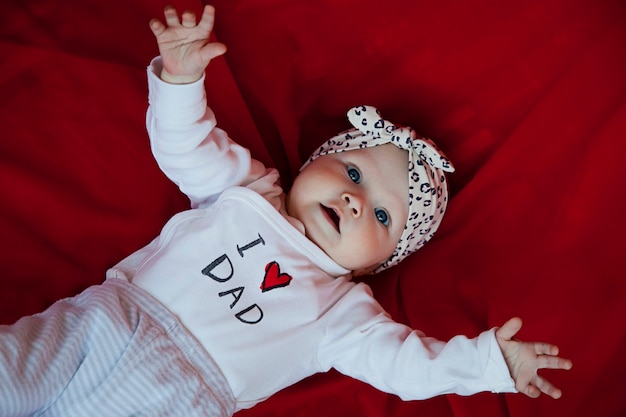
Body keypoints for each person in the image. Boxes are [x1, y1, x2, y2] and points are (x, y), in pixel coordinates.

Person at [0, 4, 572, 417]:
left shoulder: (343, 312)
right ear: (311, 166)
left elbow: (407, 367)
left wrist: (487, 364)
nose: (354, 199)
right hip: (106, 323)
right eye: (353, 173)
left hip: (180, 398)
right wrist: (181, 80)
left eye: (380, 217)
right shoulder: (249, 190)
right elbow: (186, 146)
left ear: (378, 264)